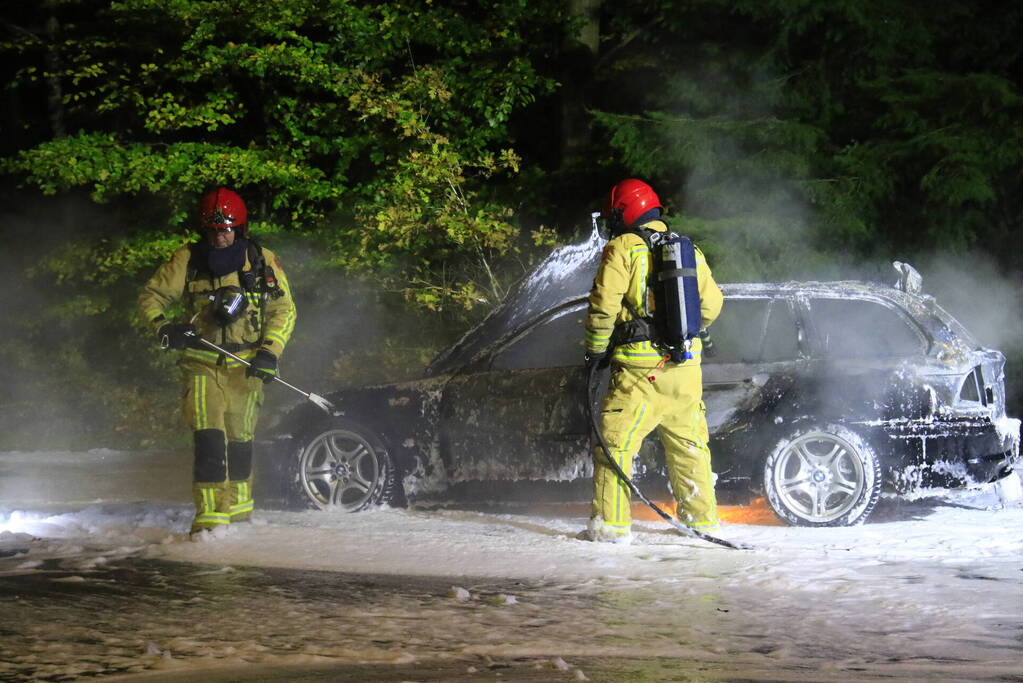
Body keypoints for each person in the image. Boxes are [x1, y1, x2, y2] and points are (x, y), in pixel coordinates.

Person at [139, 187, 297, 536]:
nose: (219, 236)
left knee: (241, 438)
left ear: (239, 229)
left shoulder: (260, 258)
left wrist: (270, 352)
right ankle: (210, 520)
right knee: (210, 438)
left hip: (247, 364)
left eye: (225, 229)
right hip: (201, 363)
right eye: (212, 230)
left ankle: (239, 511)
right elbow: (152, 296)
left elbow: (284, 309)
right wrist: (164, 328)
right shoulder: (188, 259)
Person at [582, 179, 723, 544]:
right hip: (686, 369)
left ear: (623, 212)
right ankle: (701, 523)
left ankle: (609, 528)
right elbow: (712, 306)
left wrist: (595, 351)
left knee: (615, 447)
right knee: (689, 447)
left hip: (640, 373)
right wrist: (686, 330)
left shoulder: (623, 248)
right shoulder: (688, 249)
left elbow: (603, 308)